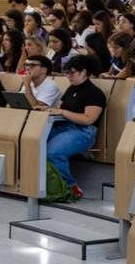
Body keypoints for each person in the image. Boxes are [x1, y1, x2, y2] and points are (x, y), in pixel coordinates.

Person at [44, 55, 106, 198]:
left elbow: (88, 119)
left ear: (83, 72)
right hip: (63, 127)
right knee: (34, 142)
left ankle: (70, 186)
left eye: (71, 72)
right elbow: (60, 107)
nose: (68, 76)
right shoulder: (71, 89)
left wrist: (63, 112)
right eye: (67, 73)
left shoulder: (94, 93)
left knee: (53, 152)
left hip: (83, 132)